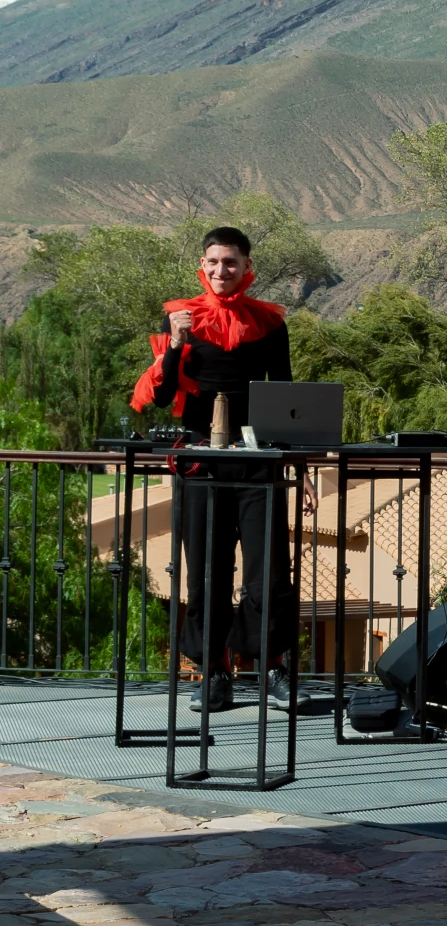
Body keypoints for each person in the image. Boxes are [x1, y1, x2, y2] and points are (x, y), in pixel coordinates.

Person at [130, 227, 304, 715]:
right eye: (213, 262)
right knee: (207, 571)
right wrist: (176, 344)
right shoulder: (178, 319)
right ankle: (214, 674)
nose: (221, 270)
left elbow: (286, 398)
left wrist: (300, 467)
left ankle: (272, 668)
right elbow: (162, 397)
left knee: (268, 573)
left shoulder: (270, 322)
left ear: (247, 268)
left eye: (231, 262)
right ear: (201, 267)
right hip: (201, 462)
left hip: (256, 463)